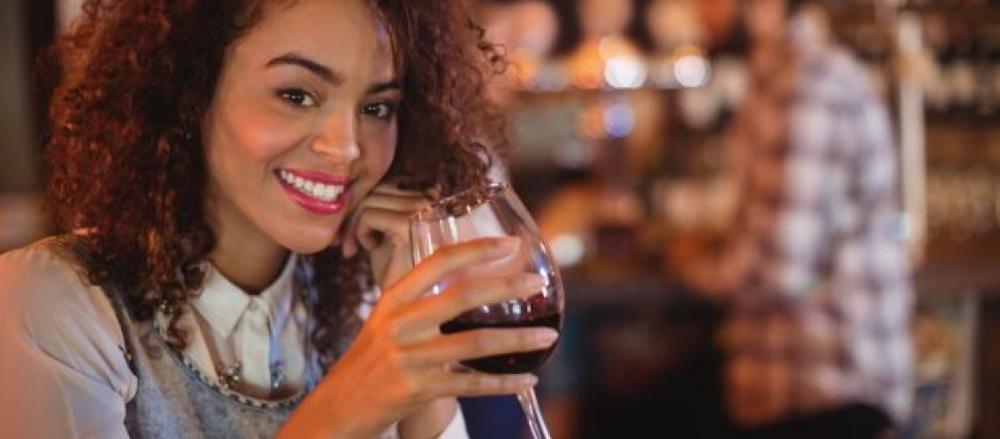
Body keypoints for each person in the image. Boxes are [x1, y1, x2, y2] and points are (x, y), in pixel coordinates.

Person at [0, 0, 560, 437]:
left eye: (376, 108)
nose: (346, 148)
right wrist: (349, 407)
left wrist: (413, 309)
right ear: (191, 92)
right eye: (296, 94)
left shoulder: (360, 303)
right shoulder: (53, 304)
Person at [673, 0, 913, 437]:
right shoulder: (779, 78)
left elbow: (778, 268)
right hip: (802, 391)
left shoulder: (808, 84)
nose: (696, 11)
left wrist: (685, 262)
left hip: (830, 397)